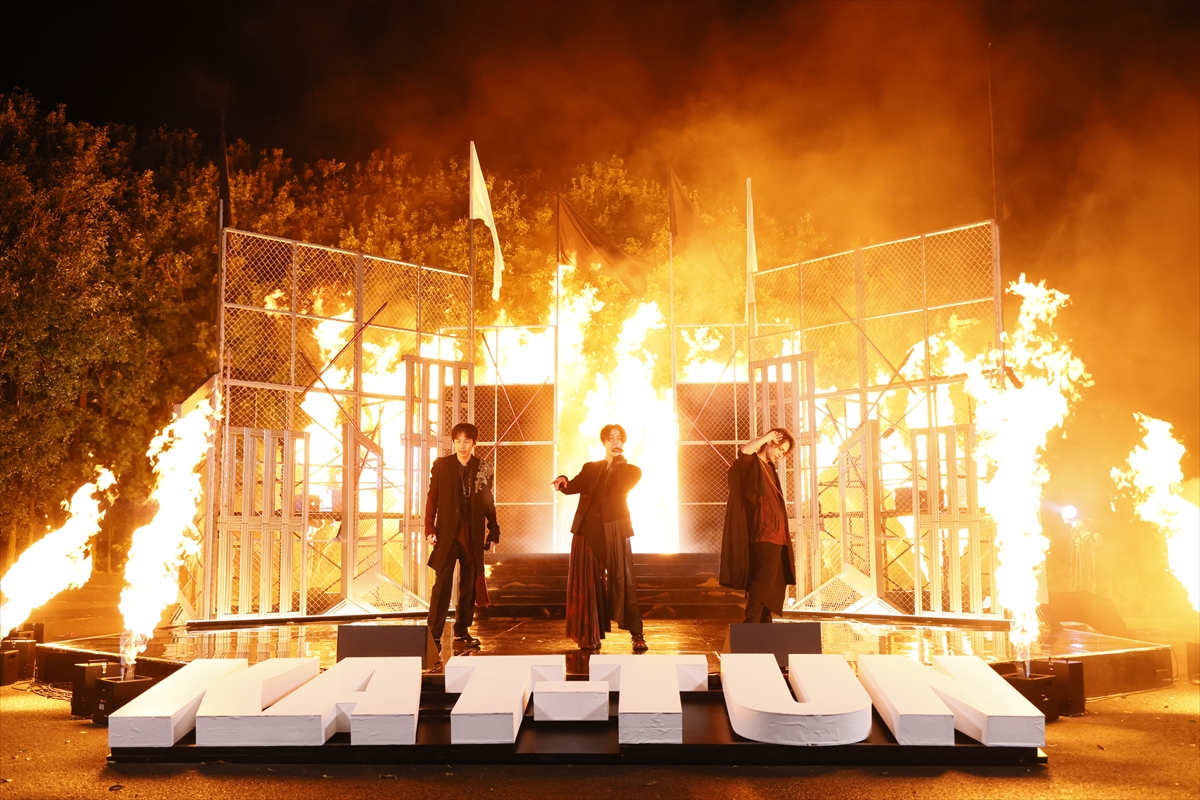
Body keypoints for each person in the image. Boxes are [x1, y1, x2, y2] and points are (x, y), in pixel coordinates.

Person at [553, 424, 648, 652]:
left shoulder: (631, 470)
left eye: (619, 438)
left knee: (624, 581)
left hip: (615, 528)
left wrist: (618, 461)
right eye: (611, 438)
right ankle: (590, 635)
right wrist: (563, 479)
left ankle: (637, 634)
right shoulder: (590, 468)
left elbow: (622, 485)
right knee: (588, 583)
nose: (615, 442)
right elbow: (572, 486)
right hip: (587, 530)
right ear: (603, 441)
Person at [425, 422, 500, 651]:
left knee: (469, 585)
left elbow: (488, 501)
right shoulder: (441, 465)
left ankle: (462, 631)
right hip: (447, 534)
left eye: (466, 441)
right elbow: (432, 497)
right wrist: (429, 528)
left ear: (474, 443)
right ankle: (433, 635)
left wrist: (493, 529)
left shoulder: (483, 468)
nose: (462, 446)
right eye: (458, 441)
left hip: (472, 535)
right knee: (442, 585)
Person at [720, 428, 797, 623]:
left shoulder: (770, 469)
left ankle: (764, 623)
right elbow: (744, 452)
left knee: (773, 583)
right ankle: (751, 625)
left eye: (785, 453)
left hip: (778, 535)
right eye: (780, 449)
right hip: (764, 533)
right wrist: (765, 437)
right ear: (770, 442)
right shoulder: (753, 463)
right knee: (762, 581)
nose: (781, 455)